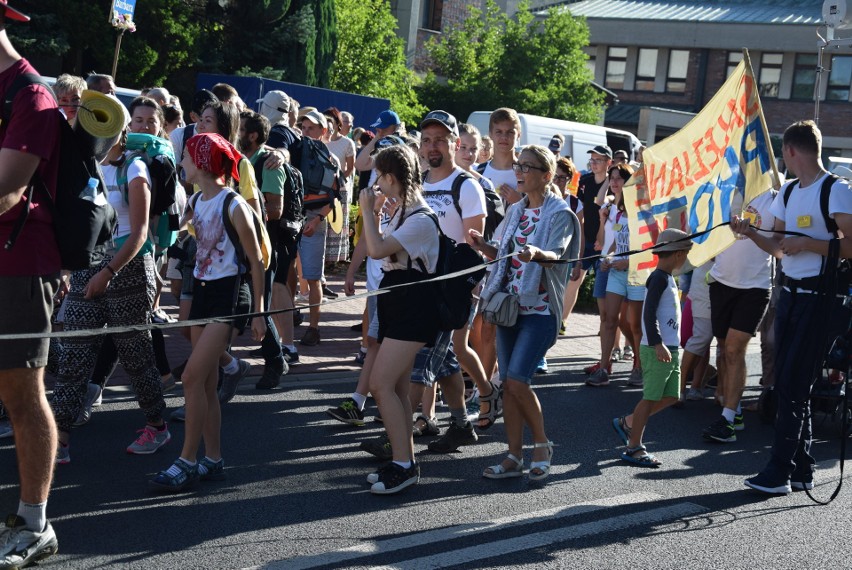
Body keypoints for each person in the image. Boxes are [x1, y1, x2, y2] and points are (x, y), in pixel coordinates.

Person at [51, 97, 170, 465]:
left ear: (119, 131)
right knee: (73, 353)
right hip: (91, 265)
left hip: (129, 268)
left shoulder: (134, 169)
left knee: (136, 356)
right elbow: (81, 227)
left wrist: (107, 273)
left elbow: (139, 235)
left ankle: (157, 425)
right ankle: (62, 440)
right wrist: (69, 269)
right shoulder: (87, 167)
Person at [737, 121, 852, 495]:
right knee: (788, 384)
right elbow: (780, 247)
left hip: (821, 300)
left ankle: (779, 472)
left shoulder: (836, 190)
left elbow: (849, 245)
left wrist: (809, 244)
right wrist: (751, 232)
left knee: (792, 384)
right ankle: (801, 469)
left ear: (789, 151)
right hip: (789, 295)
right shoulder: (787, 192)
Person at [150, 133, 266, 492]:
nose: (181, 162)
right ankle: (212, 460)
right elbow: (181, 235)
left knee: (191, 378)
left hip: (228, 297)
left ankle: (185, 460)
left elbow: (258, 260)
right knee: (207, 382)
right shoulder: (198, 199)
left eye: (185, 157)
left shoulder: (233, 204)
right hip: (202, 292)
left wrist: (260, 311)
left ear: (201, 163)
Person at [471, 144, 580, 482]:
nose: (519, 171)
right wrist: (485, 248)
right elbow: (506, 257)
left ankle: (543, 446)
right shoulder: (516, 210)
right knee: (511, 386)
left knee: (517, 380)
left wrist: (538, 253)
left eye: (527, 167)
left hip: (541, 311)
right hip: (509, 308)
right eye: (518, 165)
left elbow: (557, 254)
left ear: (546, 176)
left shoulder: (560, 213)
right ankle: (514, 455)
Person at [0, 3, 61, 565]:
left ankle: (35, 522)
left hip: (17, 265)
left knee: (22, 396)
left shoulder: (31, 95)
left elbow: (7, 189)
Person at [359, 144, 440, 494]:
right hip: (399, 303)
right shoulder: (401, 211)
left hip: (415, 308)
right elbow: (381, 251)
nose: (376, 182)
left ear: (391, 177)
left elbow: (376, 250)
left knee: (380, 385)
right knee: (398, 389)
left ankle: (404, 465)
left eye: (379, 175)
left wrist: (366, 210)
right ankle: (402, 459)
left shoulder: (420, 219)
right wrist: (377, 215)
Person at [612, 229, 692, 467]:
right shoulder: (658, 278)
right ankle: (634, 447)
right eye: (686, 253)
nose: (687, 258)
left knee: (671, 396)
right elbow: (648, 314)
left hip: (670, 347)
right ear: (677, 254)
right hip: (658, 348)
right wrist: (657, 344)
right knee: (650, 398)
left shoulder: (666, 277)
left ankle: (628, 422)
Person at [701, 187, 776, 443]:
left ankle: (728, 419)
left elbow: (778, 249)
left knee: (734, 350)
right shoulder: (723, 190)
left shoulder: (775, 197)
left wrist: (751, 232)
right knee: (723, 348)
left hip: (754, 288)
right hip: (721, 282)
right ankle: (735, 409)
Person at [586, 163, 644, 387]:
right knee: (611, 321)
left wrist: (627, 261)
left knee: (634, 324)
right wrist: (609, 259)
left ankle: (638, 367)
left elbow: (649, 247)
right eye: (612, 178)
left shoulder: (640, 211)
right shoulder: (616, 211)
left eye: (620, 178)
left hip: (637, 274)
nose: (614, 182)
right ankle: (603, 368)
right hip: (616, 273)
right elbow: (613, 244)